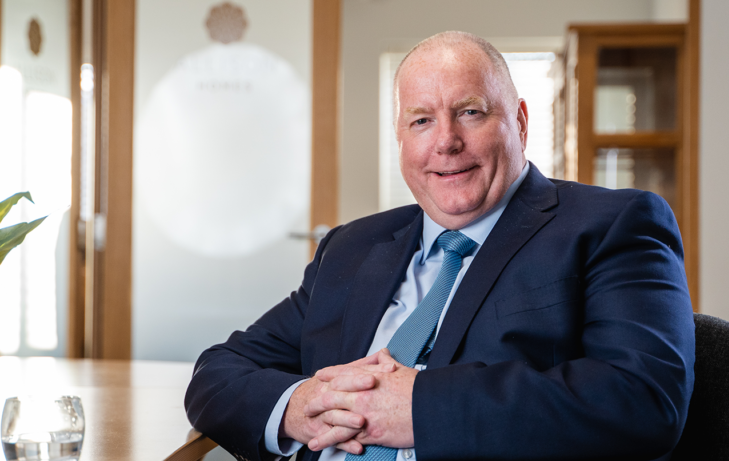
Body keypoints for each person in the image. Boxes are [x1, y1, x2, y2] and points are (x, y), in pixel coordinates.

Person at [185, 31, 695, 461]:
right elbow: (218, 372)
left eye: (470, 112)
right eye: (421, 120)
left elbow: (643, 400)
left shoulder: (612, 224)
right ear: (401, 137)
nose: (445, 141)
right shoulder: (351, 247)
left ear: (518, 121)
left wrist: (417, 408)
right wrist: (299, 403)